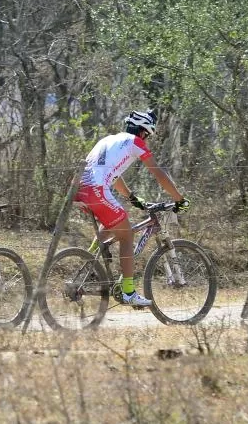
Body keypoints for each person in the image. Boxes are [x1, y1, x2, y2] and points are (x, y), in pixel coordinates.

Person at [74, 110, 188, 307]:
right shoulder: (135, 142)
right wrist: (179, 199)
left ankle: (88, 264)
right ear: (143, 132)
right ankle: (128, 291)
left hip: (78, 190)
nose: (146, 139)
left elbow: (113, 173)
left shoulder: (109, 140)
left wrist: (132, 197)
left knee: (109, 225)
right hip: (95, 190)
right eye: (147, 136)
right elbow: (158, 173)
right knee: (127, 235)